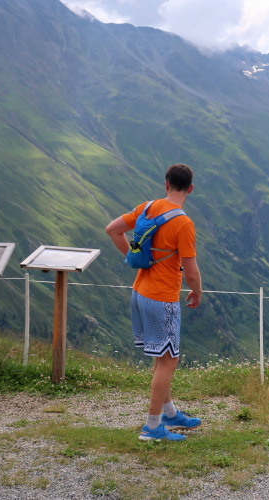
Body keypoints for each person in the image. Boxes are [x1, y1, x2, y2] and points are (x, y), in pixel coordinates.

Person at [105, 163, 203, 442]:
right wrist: (197, 291)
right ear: (190, 189)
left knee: (163, 357)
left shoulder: (147, 208)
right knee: (169, 360)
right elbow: (191, 271)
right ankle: (152, 427)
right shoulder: (183, 223)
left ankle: (170, 413)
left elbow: (112, 229)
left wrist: (132, 258)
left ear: (166, 184)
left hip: (140, 291)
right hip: (162, 298)